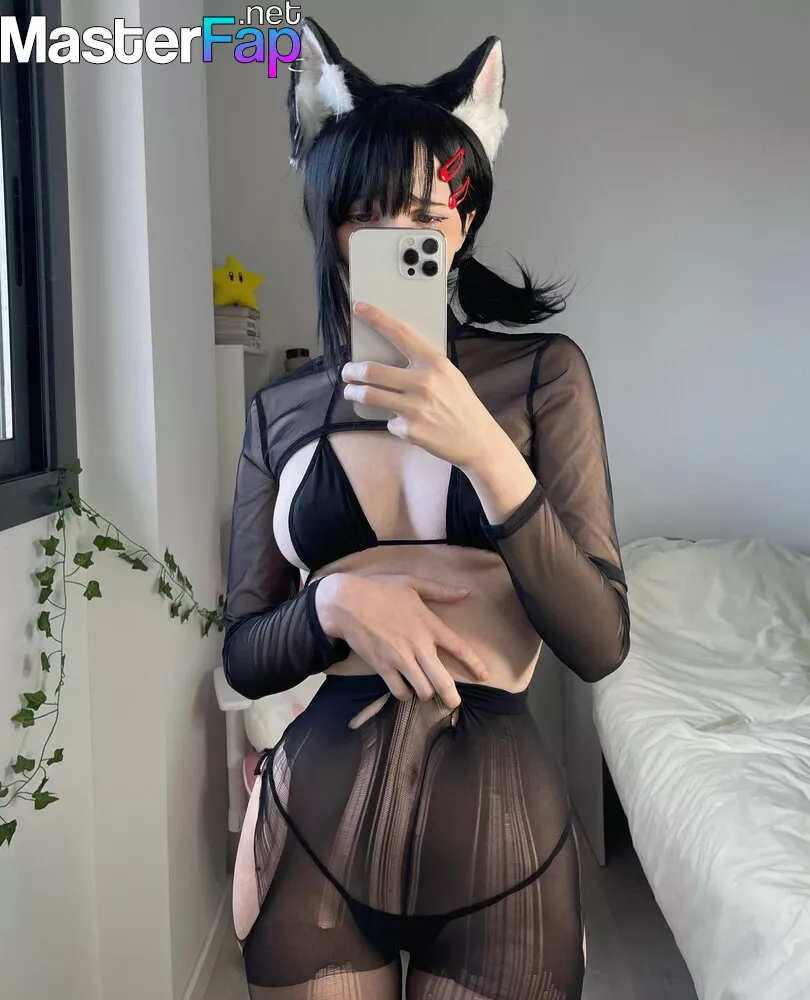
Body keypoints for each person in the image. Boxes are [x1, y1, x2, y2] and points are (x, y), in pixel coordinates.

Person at [223, 17, 630, 1000]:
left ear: (463, 224)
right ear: (328, 227)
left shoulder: (543, 377)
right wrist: (332, 606)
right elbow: (242, 651)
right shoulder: (280, 411)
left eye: (422, 211)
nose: (395, 235)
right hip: (312, 833)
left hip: (499, 840)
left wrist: (483, 448)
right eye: (364, 213)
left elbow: (600, 642)